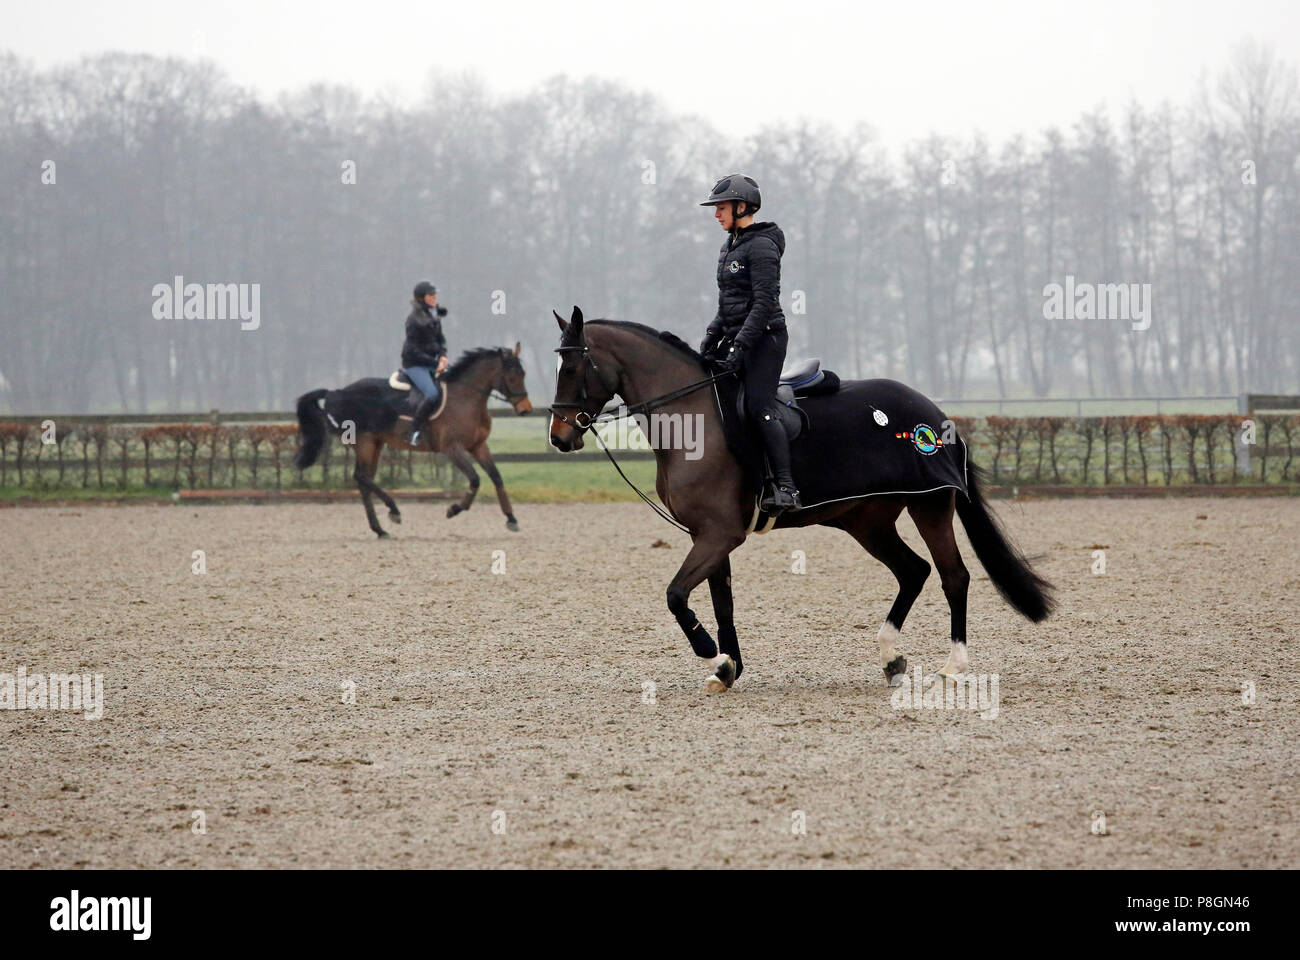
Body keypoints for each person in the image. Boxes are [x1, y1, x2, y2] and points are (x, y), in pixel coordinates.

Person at [697, 174, 801, 513]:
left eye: (721, 208)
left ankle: (787, 487)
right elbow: (729, 303)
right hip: (738, 336)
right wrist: (712, 336)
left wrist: (741, 344)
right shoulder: (730, 245)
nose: (716, 215)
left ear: (742, 207)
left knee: (757, 406)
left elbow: (763, 303)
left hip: (766, 337)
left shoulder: (762, 246)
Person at [401, 280, 449, 446]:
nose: (435, 297)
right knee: (432, 394)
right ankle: (413, 432)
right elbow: (413, 351)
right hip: (414, 365)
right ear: (421, 298)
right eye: (431, 295)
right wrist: (436, 364)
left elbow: (441, 339)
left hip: (432, 362)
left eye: (435, 294)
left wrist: (443, 356)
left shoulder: (433, 315)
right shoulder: (413, 320)